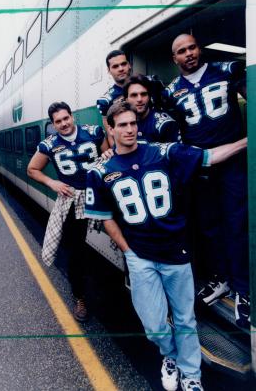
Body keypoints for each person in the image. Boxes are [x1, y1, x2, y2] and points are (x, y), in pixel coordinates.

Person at [84, 102, 247, 391]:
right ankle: (169, 356)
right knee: (155, 326)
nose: (130, 129)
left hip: (174, 252)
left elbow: (209, 156)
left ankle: (191, 374)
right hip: (140, 256)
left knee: (185, 319)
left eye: (133, 123)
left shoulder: (162, 151)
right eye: (122, 124)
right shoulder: (99, 171)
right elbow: (105, 218)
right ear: (110, 129)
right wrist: (128, 251)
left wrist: (248, 140)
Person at [164, 34, 249, 328]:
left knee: (236, 224)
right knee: (210, 228)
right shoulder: (171, 92)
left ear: (199, 49)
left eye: (191, 48)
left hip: (233, 164)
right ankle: (222, 278)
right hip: (202, 169)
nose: (188, 54)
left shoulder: (226, 71)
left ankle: (243, 289)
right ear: (174, 59)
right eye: (181, 51)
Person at [27, 102, 108, 321]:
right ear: (52, 124)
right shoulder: (49, 144)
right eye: (58, 121)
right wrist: (52, 183)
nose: (63, 124)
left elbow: (109, 156)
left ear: (72, 116)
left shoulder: (93, 133)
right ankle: (79, 296)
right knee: (77, 251)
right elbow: (32, 169)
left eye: (65, 118)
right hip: (73, 200)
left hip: (99, 195)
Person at [123, 74, 180, 142]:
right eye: (134, 95)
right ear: (126, 99)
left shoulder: (165, 124)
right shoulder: (122, 123)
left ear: (149, 97)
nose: (139, 99)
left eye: (143, 94)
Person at [97, 50, 132, 145]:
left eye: (123, 64)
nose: (121, 69)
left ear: (129, 65)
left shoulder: (144, 86)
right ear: (109, 70)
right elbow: (110, 132)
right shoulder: (105, 100)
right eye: (115, 66)